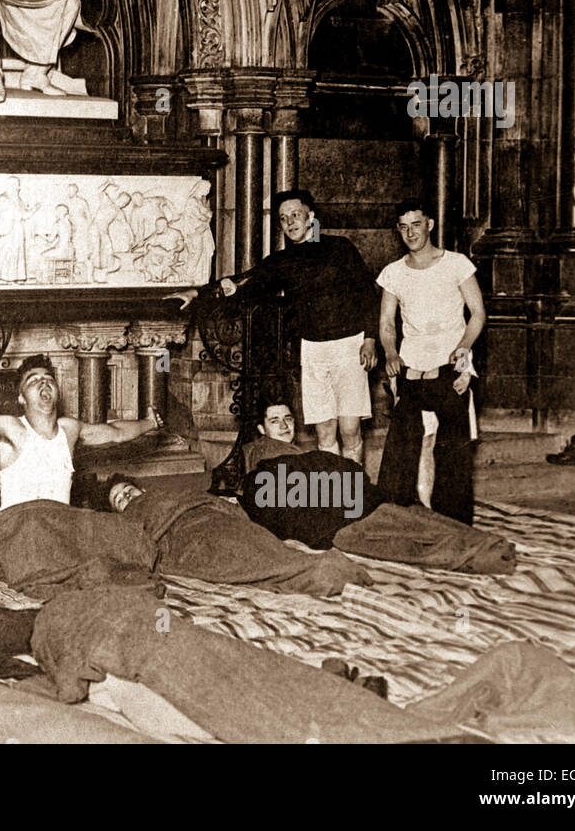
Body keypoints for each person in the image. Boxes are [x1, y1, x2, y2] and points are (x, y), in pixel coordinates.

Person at [170, 188, 379, 463]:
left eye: (296, 215)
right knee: (325, 433)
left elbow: (368, 294)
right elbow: (241, 282)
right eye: (283, 218)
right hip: (313, 351)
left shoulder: (341, 248)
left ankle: (357, 496)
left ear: (310, 216)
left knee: (350, 430)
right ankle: (336, 499)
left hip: (349, 347)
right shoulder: (282, 261)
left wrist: (370, 339)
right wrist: (198, 293)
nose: (290, 222)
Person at [232, 396, 514, 573]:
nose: (284, 426)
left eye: (288, 419)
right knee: (409, 536)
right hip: (337, 522)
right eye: (274, 421)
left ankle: (482, 549)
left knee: (411, 529)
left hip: (342, 513)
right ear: (261, 429)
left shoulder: (292, 453)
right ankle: (483, 550)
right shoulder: (264, 451)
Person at [0, 354, 162, 512]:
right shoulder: (11, 428)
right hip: (19, 529)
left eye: (48, 379)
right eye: (33, 380)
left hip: (58, 529)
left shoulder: (69, 430)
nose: (43, 383)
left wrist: (150, 423)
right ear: (21, 398)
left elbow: (116, 432)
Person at [376, 199, 486, 524]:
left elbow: (477, 313)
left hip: (451, 364)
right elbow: (385, 323)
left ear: (430, 224)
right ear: (398, 230)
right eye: (404, 226)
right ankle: (411, 516)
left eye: (416, 224)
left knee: (451, 446)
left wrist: (464, 349)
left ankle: (450, 520)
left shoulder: (456, 263)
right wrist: (391, 353)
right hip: (412, 367)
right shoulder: (393, 273)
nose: (411, 232)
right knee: (412, 443)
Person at [103, 473, 370, 596]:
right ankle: (319, 572)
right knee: (244, 562)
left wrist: (232, 514)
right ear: (118, 513)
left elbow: (207, 501)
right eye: (120, 500)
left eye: (129, 490)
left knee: (260, 546)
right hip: (190, 541)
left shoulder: (168, 496)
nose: (128, 496)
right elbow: (141, 550)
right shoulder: (128, 522)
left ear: (143, 491)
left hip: (215, 521)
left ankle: (315, 569)